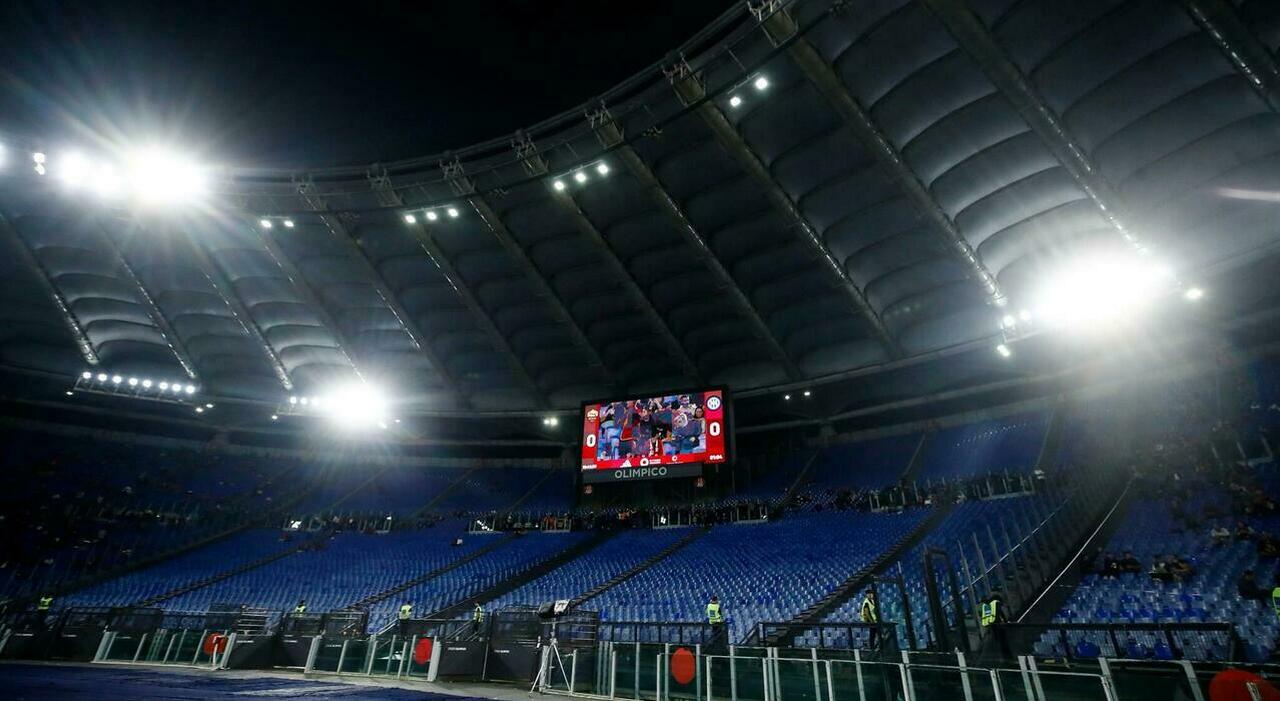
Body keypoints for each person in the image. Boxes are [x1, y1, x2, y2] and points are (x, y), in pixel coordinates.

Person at [979, 591, 1011, 659]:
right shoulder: (995, 603)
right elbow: (1000, 612)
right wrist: (1005, 621)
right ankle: (1006, 655)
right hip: (998, 623)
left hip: (991, 624)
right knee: (1003, 640)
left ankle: (1002, 654)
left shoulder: (986, 605)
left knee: (998, 640)